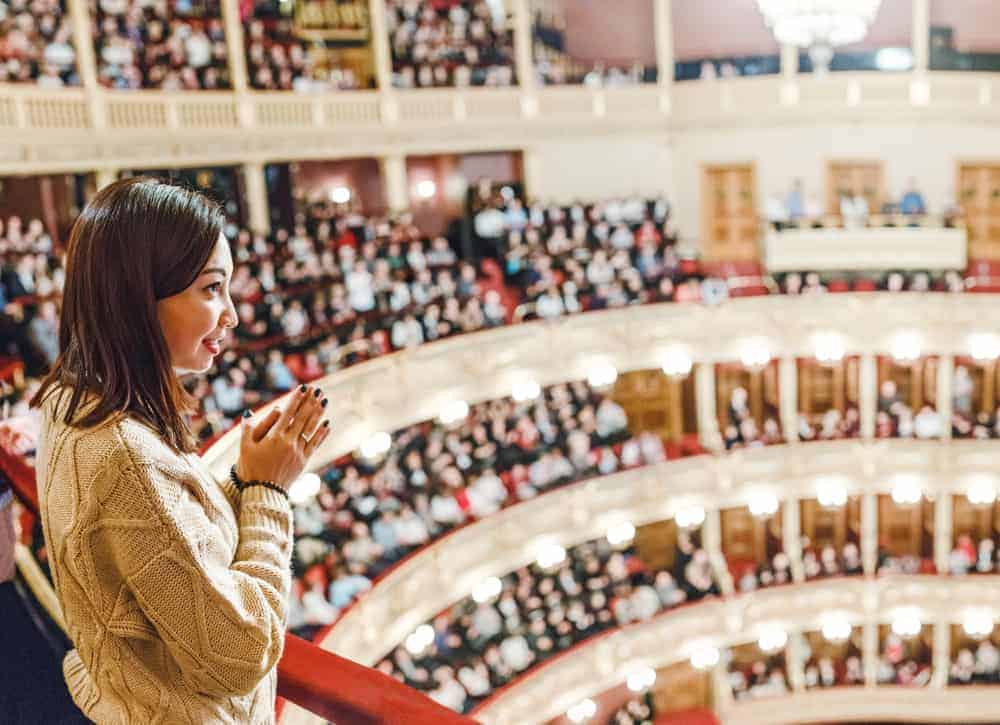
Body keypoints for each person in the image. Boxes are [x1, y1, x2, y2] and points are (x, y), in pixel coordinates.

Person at [29, 178, 332, 724]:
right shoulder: (125, 455)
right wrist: (267, 493)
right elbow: (237, 654)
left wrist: (241, 483)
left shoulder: (73, 399)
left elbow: (163, 553)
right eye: (211, 289)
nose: (232, 315)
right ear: (137, 295)